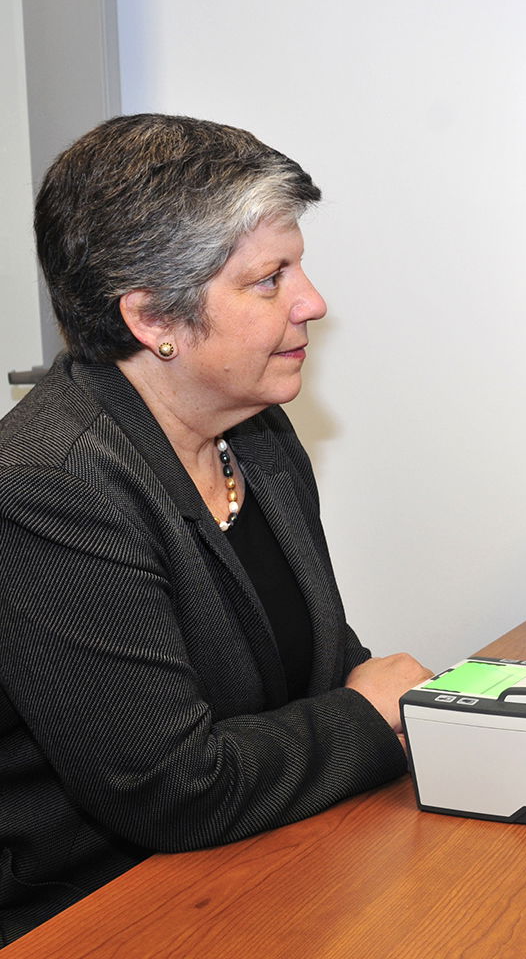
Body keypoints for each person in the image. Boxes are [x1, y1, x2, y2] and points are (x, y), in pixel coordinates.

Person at [0, 114, 432, 944]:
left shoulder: (255, 433)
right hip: (98, 915)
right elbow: (171, 787)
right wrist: (370, 717)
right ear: (154, 320)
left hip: (261, 866)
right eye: (269, 280)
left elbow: (322, 666)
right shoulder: (48, 488)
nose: (312, 300)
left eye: (297, 267)